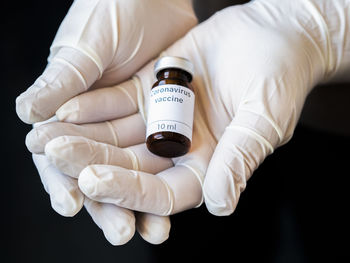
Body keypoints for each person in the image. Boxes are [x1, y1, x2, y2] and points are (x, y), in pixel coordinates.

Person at [15, 0, 349, 247]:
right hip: (195, 39)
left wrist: (320, 23)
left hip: (327, 115)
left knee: (324, 218)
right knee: (202, 237)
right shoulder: (173, 87)